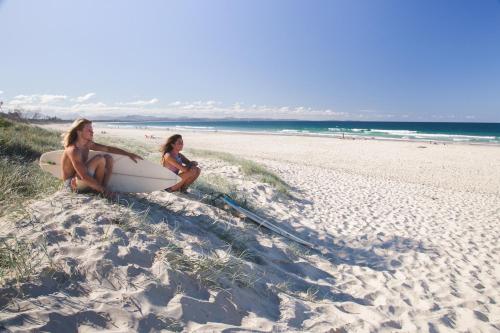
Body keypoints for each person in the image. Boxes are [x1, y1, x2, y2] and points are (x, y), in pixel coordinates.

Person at [61, 118, 142, 196]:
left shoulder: (88, 144)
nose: (92, 132)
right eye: (89, 130)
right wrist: (104, 190)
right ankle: (102, 190)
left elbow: (108, 148)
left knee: (108, 158)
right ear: (79, 132)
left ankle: (102, 188)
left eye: (92, 130)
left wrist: (128, 153)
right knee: (99, 159)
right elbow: (84, 176)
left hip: (81, 180)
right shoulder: (74, 150)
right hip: (72, 185)